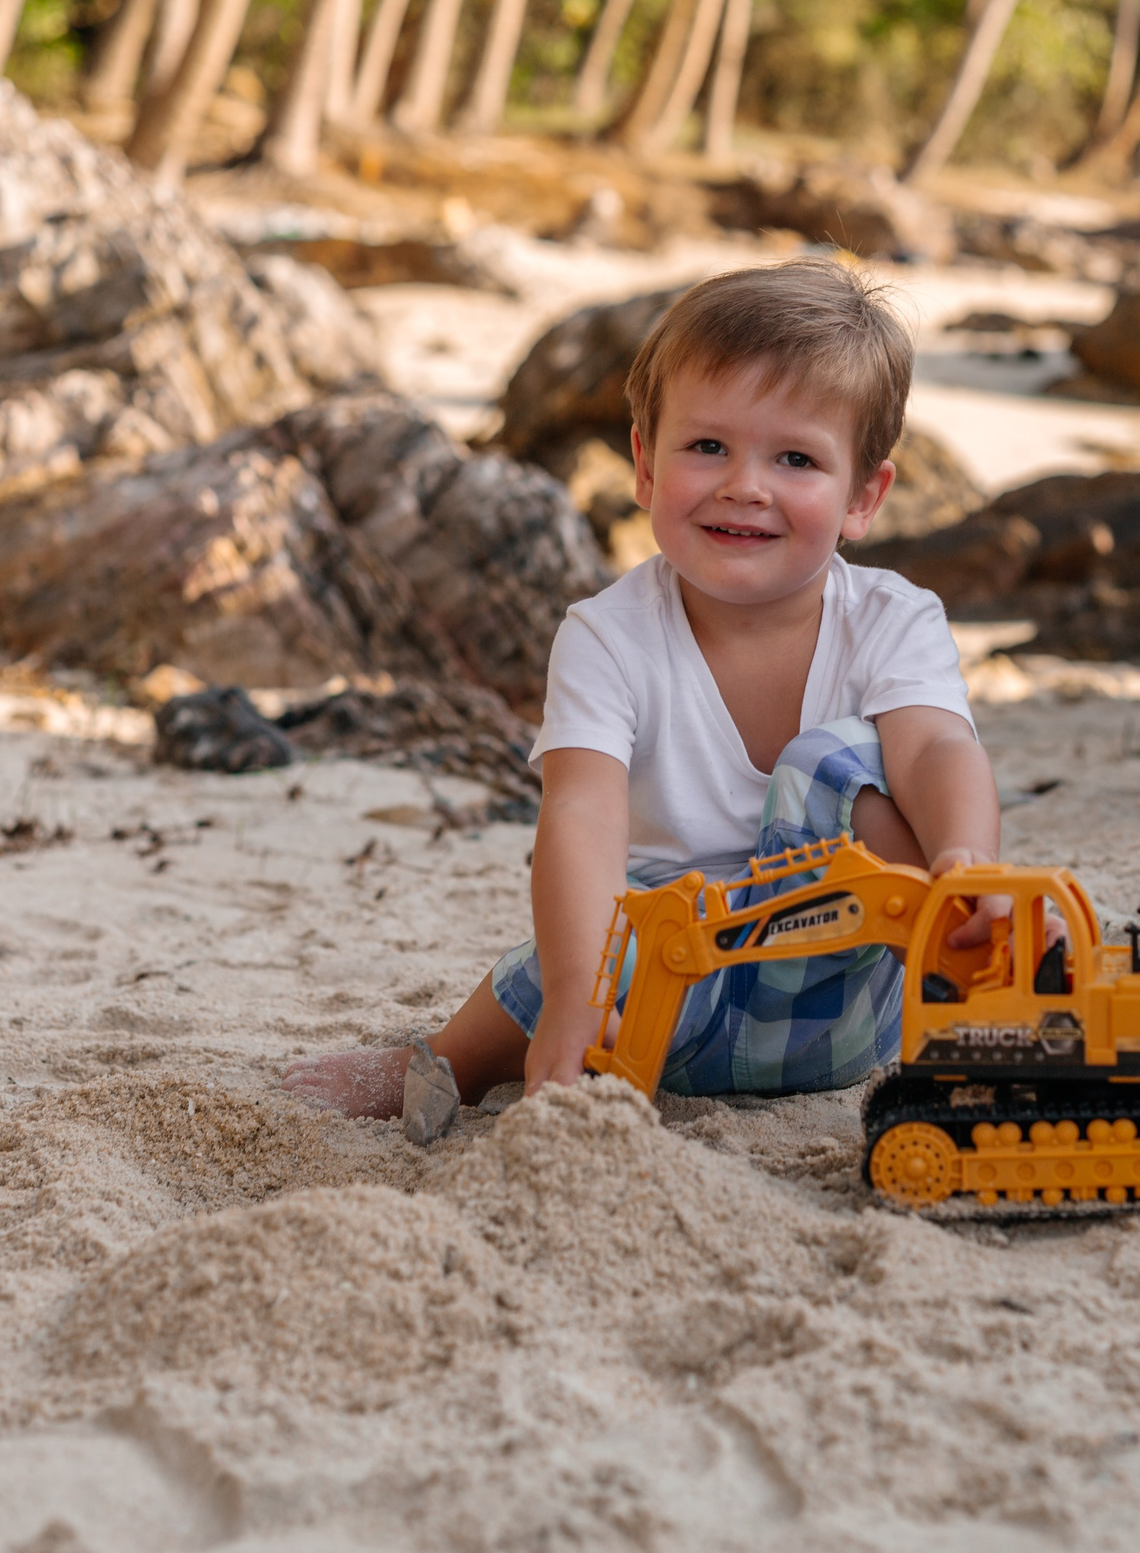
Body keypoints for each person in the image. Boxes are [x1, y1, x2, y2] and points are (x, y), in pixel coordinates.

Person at [281, 259, 1006, 1140]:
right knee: (580, 939)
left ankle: (957, 937)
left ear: (863, 496)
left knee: (830, 766)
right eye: (707, 447)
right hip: (668, 1013)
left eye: (796, 458)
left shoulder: (893, 619)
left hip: (847, 999)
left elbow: (937, 749)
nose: (745, 483)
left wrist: (968, 864)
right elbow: (582, 814)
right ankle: (448, 1059)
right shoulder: (606, 635)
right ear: (644, 463)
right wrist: (578, 997)